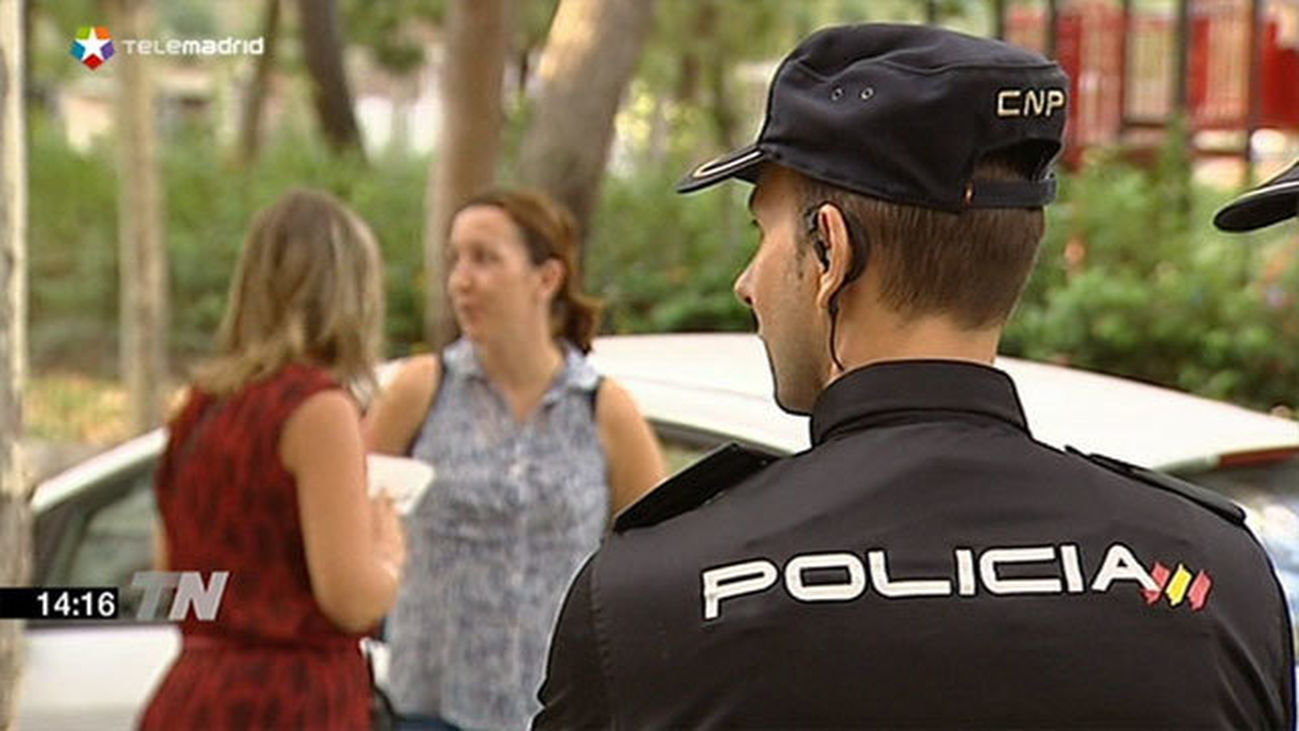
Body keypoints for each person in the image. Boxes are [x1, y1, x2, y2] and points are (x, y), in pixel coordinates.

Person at [535, 23, 1296, 729]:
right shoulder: (1211, 580)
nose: (746, 282)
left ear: (830, 255)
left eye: (760, 233)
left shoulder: (650, 596)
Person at [364, 188, 665, 730]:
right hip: (430, 710)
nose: (461, 280)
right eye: (456, 259)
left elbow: (655, 563)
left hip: (560, 711)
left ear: (545, 279)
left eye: (484, 258)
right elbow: (349, 523)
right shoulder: (421, 391)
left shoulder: (604, 409)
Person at [140, 189, 407, 730]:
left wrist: (243, 607)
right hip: (291, 702)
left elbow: (169, 586)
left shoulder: (199, 408)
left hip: (194, 694)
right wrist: (388, 553)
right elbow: (350, 600)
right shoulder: (318, 410)